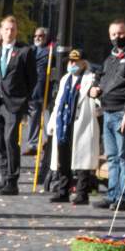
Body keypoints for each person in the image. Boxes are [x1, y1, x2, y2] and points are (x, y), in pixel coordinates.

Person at [89, 19, 125, 210]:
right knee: (111, 156)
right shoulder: (110, 57)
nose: (117, 37)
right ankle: (112, 194)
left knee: (123, 157)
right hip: (108, 111)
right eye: (113, 35)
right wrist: (94, 89)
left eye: (121, 33)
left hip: (121, 112)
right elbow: (100, 78)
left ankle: (123, 197)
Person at [0, 15, 39, 195]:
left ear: (16, 31)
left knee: (10, 140)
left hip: (14, 103)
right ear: (1, 31)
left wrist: (24, 98)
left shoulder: (25, 51)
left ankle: (12, 181)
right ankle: (3, 178)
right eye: (6, 29)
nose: (9, 32)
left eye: (13, 29)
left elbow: (32, 78)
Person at [47, 49, 100, 205]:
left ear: (84, 63)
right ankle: (63, 190)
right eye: (70, 61)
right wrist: (51, 122)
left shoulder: (91, 79)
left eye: (75, 62)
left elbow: (98, 101)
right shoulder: (65, 79)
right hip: (63, 123)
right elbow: (58, 102)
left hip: (82, 122)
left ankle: (82, 193)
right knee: (63, 158)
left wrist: (95, 95)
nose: (72, 64)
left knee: (82, 159)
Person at [22, 26, 51, 154]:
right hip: (31, 90)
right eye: (35, 36)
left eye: (40, 36)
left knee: (45, 119)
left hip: (45, 90)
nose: (37, 38)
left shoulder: (50, 51)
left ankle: (44, 143)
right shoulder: (30, 50)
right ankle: (33, 143)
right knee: (33, 117)